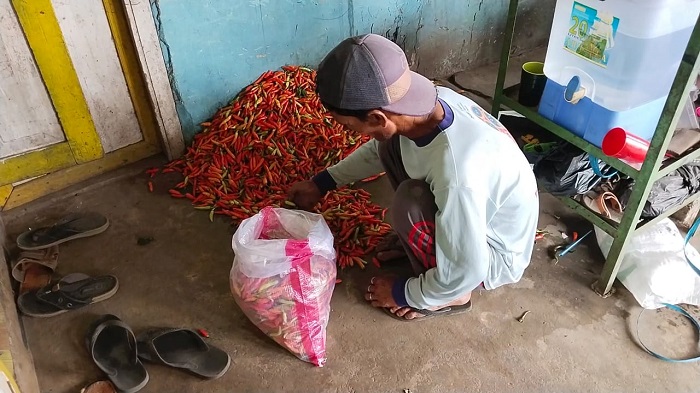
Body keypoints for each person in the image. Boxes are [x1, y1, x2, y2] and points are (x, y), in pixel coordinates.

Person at [288, 34, 539, 321]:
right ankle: (427, 247)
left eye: (348, 124)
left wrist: (407, 293)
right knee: (389, 146)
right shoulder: (429, 104)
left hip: (491, 255)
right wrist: (322, 183)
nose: (348, 131)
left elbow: (469, 268)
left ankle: (453, 297)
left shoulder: (456, 171)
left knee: (409, 202)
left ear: (376, 118)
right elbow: (378, 147)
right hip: (474, 214)